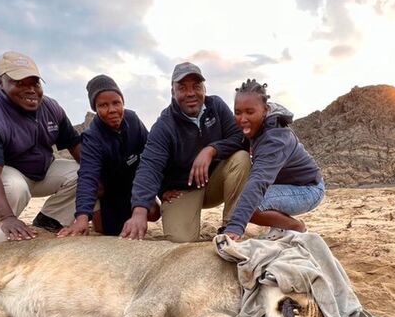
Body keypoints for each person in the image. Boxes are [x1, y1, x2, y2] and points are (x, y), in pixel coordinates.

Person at [120, 62, 250, 242]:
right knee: (179, 240)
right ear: (173, 93)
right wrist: (140, 211)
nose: (190, 93)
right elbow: (150, 166)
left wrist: (211, 150)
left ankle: (230, 226)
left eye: (196, 86)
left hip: (214, 182)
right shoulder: (164, 126)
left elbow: (239, 137)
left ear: (204, 88)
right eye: (182, 88)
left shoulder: (216, 106)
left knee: (241, 158)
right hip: (182, 190)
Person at [0, 51, 81, 249]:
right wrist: (7, 217)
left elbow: (76, 145)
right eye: (19, 83)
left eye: (34, 83)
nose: (30, 90)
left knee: (84, 173)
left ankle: (49, 221)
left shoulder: (52, 108)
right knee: (15, 187)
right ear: (0, 82)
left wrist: (99, 176)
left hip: (39, 171)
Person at [222, 79, 324, 240]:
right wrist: (210, 150)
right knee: (247, 201)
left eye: (249, 112)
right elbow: (230, 144)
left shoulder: (275, 138)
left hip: (308, 189)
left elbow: (259, 180)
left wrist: (235, 226)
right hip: (283, 185)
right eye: (238, 112)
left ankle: (296, 227)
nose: (242, 118)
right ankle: (279, 227)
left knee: (250, 207)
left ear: (265, 110)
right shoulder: (253, 127)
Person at [57, 75, 158, 237]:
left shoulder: (133, 120)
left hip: (134, 184)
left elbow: (153, 157)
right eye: (103, 105)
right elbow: (87, 176)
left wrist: (165, 190)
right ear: (95, 108)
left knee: (153, 212)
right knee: (107, 231)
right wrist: (82, 218)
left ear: (122, 103)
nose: (111, 110)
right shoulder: (92, 137)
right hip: (110, 191)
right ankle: (99, 218)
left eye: (116, 103)